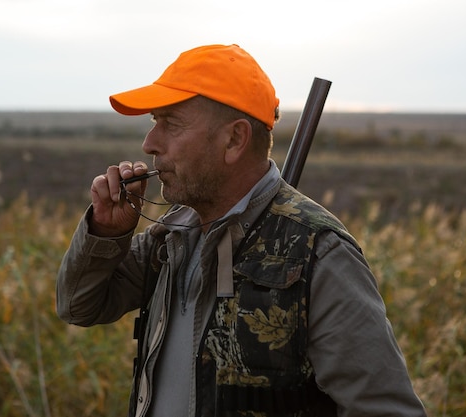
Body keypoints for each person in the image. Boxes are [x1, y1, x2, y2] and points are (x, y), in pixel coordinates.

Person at [56, 44, 427, 417]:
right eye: (154, 122)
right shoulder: (172, 236)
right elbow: (78, 306)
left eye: (170, 123)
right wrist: (105, 232)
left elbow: (384, 409)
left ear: (234, 140)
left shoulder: (318, 254)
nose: (150, 143)